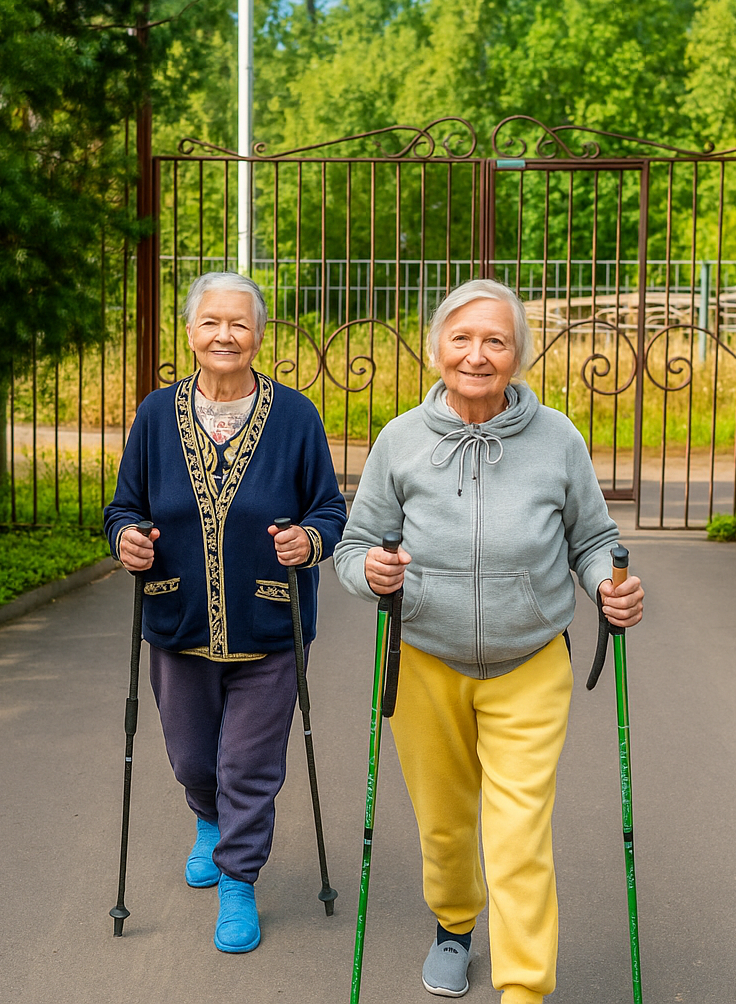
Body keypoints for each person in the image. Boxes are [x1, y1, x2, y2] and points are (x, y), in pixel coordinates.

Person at [333, 278, 644, 1002]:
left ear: (518, 355)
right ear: (437, 347)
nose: (477, 354)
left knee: (518, 837)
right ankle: (452, 926)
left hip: (529, 664)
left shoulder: (558, 438)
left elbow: (594, 538)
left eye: (496, 341)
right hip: (424, 665)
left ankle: (526, 988)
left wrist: (607, 584)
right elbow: (351, 549)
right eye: (462, 338)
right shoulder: (400, 440)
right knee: (444, 829)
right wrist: (373, 572)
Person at [104, 271, 346, 954]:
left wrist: (311, 540)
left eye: (239, 323)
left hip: (271, 625)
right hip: (177, 621)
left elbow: (328, 508)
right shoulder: (156, 415)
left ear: (259, 334)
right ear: (190, 332)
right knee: (190, 758)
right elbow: (126, 506)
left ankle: (239, 880)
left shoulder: (295, 416)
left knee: (249, 763)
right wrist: (124, 538)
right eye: (211, 322)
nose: (225, 335)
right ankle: (207, 820)